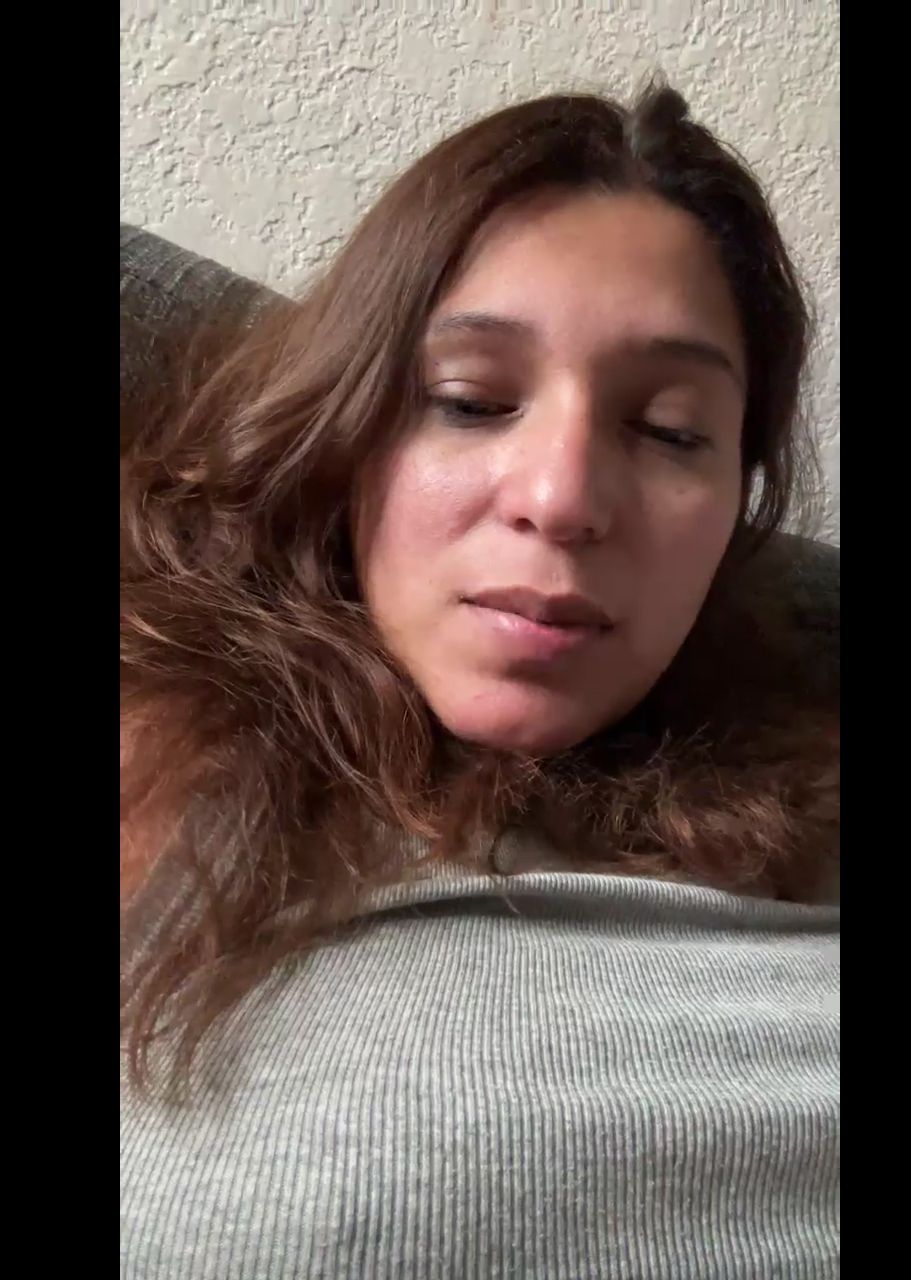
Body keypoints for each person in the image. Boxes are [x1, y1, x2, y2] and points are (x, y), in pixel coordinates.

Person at [121, 80, 839, 1279]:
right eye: (469, 400)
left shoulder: (799, 810)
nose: (560, 496)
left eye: (671, 430)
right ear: (347, 430)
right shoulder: (167, 746)